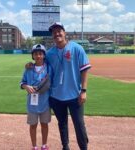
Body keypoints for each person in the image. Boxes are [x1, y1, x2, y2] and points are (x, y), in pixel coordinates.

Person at [46, 22, 91, 150]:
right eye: (54, 32)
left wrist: (83, 90)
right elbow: (41, 66)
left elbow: (85, 70)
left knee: (79, 124)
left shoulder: (76, 48)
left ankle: (83, 147)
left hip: (74, 95)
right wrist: (30, 65)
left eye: (59, 30)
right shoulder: (49, 53)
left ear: (64, 33)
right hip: (56, 96)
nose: (57, 33)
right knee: (62, 124)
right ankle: (65, 146)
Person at [20, 44, 51, 150]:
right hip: (32, 103)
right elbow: (22, 82)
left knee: (44, 124)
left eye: (40, 54)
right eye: (36, 54)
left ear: (44, 55)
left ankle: (44, 145)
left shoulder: (49, 67)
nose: (38, 56)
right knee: (33, 125)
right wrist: (25, 86)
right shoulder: (29, 69)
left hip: (45, 102)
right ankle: (34, 146)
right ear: (32, 56)